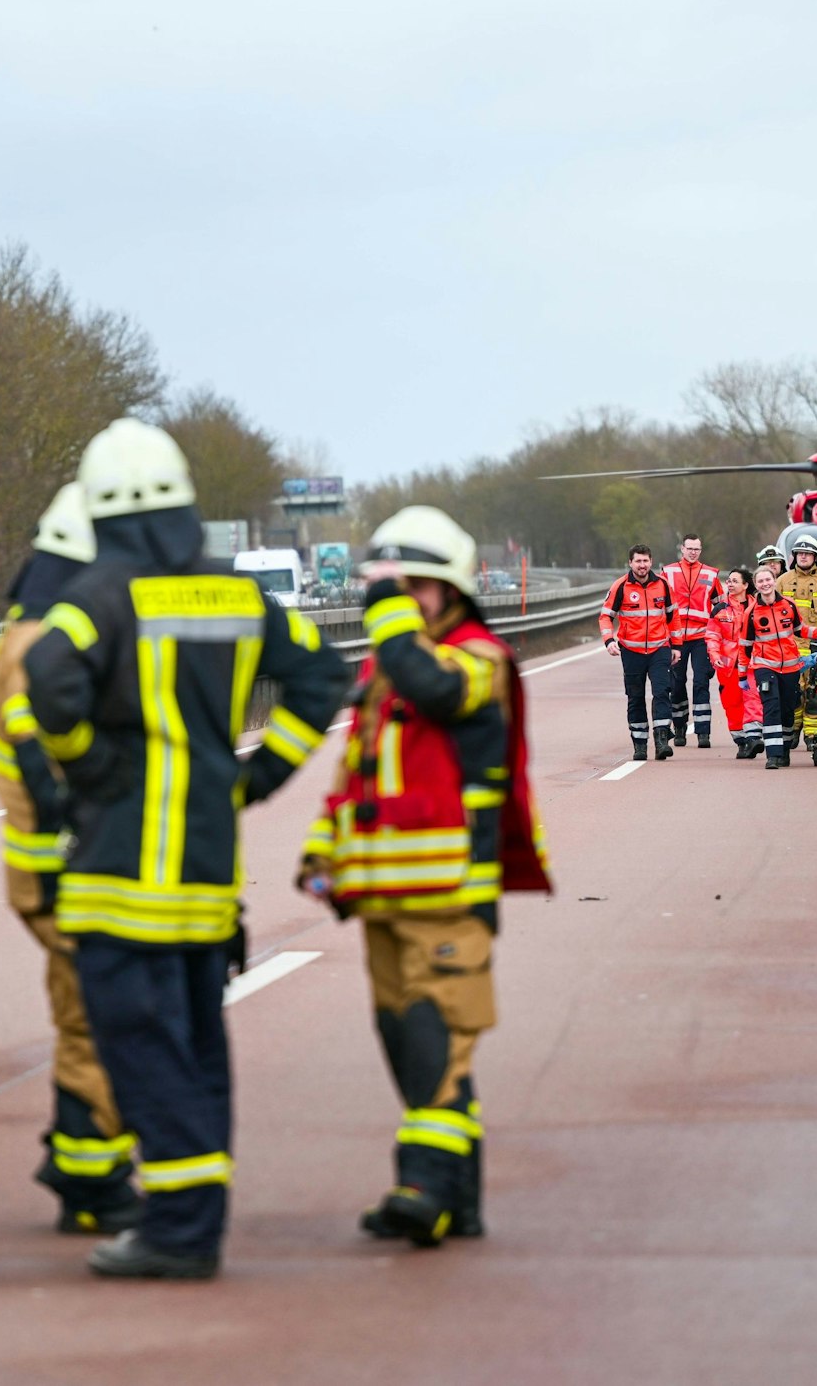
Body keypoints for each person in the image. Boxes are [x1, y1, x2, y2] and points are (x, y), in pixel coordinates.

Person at [23, 419, 347, 1280]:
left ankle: (177, 1233)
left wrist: (90, 770)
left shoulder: (101, 596)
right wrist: (260, 775)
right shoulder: (238, 595)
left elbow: (46, 679)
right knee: (198, 1047)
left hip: (120, 876)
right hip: (206, 877)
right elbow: (323, 676)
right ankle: (193, 1219)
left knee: (139, 1049)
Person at [294, 505, 551, 1248]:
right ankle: (459, 1202)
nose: (404, 599)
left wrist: (388, 619)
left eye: (417, 587)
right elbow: (356, 773)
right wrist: (322, 853)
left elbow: (435, 690)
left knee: (439, 1042)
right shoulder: (389, 666)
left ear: (451, 590)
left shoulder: (477, 658)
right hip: (381, 894)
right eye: (394, 587)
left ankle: (423, 1186)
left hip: (449, 894)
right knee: (410, 1048)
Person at [0, 484, 140, 1236]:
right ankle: (94, 1184)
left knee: (81, 1015)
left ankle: (80, 1159)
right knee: (106, 1018)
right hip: (63, 869)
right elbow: (39, 749)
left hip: (46, 868)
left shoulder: (28, 629)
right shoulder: (39, 645)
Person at [598, 545, 679, 762]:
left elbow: (674, 617)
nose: (642, 565)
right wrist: (608, 640)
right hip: (631, 651)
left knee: (662, 691)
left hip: (659, 648)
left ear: (651, 561)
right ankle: (640, 745)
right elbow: (605, 616)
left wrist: (677, 646)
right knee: (635, 697)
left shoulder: (663, 585)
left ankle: (662, 741)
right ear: (630, 563)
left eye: (645, 561)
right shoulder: (620, 586)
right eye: (638, 561)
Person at [742, 565, 815, 769]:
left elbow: (801, 629)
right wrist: (742, 675)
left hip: (791, 668)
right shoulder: (751, 612)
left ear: (774, 581)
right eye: (760, 581)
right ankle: (772, 755)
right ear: (756, 585)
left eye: (768, 580)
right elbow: (745, 645)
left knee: (788, 710)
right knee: (771, 706)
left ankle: (784, 751)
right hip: (764, 666)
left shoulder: (789, 605)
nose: (765, 584)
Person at [777, 532, 817, 752]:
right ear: (794, 556)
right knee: (792, 693)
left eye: (808, 553)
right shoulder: (781, 582)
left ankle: (814, 736)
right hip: (787, 649)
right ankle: (793, 729)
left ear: (816, 557)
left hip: (816, 651)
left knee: (815, 694)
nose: (803, 557)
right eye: (800, 553)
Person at [661, 535, 724, 749]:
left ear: (701, 550)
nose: (693, 552)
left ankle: (703, 732)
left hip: (701, 637)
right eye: (690, 548)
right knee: (677, 684)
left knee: (701, 683)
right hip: (676, 638)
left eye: (697, 549)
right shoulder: (667, 572)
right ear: (682, 549)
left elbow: (720, 606)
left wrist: (721, 637)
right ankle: (679, 726)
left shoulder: (710, 573)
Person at [705, 567, 763, 759]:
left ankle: (754, 736)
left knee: (753, 698)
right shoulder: (720, 608)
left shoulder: (759, 607)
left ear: (746, 585)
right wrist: (714, 656)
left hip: (753, 663)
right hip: (728, 665)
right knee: (732, 703)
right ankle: (742, 741)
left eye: (734, 581)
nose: (729, 584)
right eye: (728, 581)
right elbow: (712, 635)